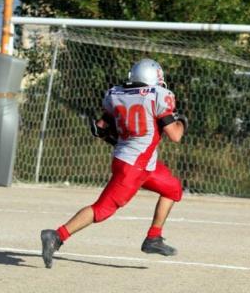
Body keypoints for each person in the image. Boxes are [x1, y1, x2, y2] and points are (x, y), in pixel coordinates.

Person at [40, 58, 188, 269]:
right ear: (154, 78)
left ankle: (153, 238)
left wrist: (113, 133)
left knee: (173, 189)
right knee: (102, 209)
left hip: (135, 161)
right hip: (134, 167)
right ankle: (56, 235)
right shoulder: (158, 96)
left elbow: (99, 128)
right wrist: (181, 122)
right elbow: (175, 136)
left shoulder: (117, 94)